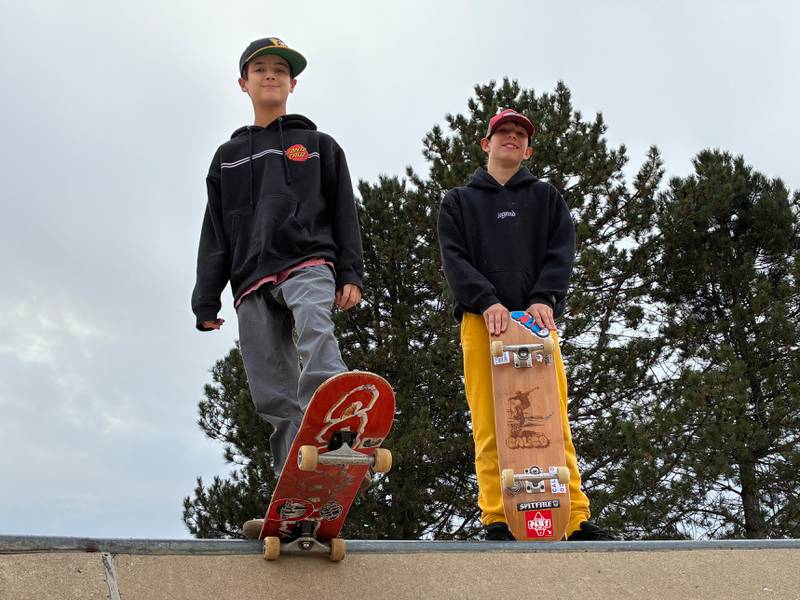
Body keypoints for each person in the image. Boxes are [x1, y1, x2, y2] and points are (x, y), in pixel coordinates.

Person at [191, 37, 364, 538]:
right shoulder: (227, 157)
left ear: (293, 84)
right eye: (260, 69)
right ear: (243, 83)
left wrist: (350, 273)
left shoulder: (319, 145)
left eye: (280, 71)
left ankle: (337, 420)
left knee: (315, 329)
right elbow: (214, 230)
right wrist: (206, 298)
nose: (271, 75)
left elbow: (344, 211)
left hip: (308, 260)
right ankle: (298, 501)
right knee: (272, 391)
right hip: (249, 278)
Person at [437, 108, 614, 541]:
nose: (511, 138)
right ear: (487, 143)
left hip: (536, 322)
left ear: (528, 150)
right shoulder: (459, 201)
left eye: (520, 134)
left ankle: (574, 518)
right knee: (490, 423)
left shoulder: (545, 197)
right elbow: (454, 259)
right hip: (482, 323)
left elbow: (561, 251)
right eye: (503, 132)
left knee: (553, 419)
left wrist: (543, 297)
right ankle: (497, 517)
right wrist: (486, 301)